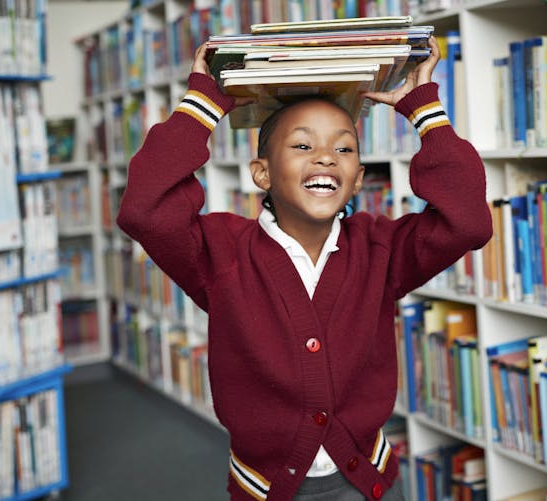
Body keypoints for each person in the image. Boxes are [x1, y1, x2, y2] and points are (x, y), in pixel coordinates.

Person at [117, 36, 492, 501]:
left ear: (356, 180)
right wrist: (203, 105)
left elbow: (468, 221)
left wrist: (424, 112)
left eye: (345, 149)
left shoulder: (383, 250)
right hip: (266, 488)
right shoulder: (219, 252)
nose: (325, 157)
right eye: (301, 145)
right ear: (262, 174)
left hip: (368, 482)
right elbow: (144, 209)